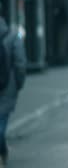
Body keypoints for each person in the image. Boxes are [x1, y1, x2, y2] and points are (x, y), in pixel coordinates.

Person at [0, 14, 26, 167]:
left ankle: (2, 152)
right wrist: (18, 84)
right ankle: (2, 152)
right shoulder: (12, 36)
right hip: (7, 88)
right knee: (1, 124)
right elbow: (20, 63)